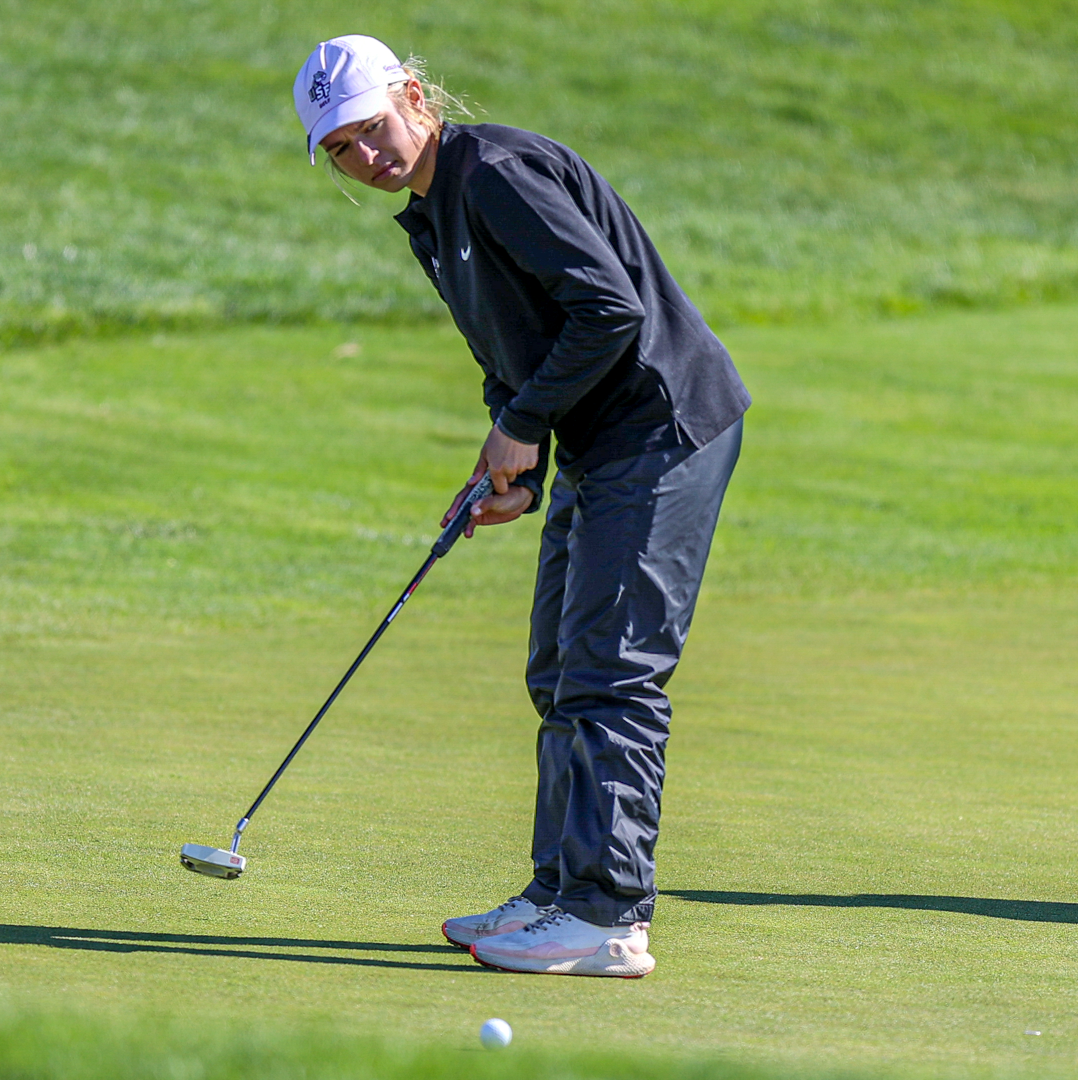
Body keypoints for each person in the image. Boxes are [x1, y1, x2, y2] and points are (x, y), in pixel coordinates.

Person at [291, 35, 750, 978]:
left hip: (660, 427)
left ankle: (609, 915)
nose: (365, 156)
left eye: (372, 128)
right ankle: (558, 891)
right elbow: (517, 346)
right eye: (340, 147)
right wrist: (518, 455)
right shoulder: (431, 214)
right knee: (557, 668)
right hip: (599, 442)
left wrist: (527, 421)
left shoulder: (493, 171)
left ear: (413, 96)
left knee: (610, 674)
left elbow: (608, 309)